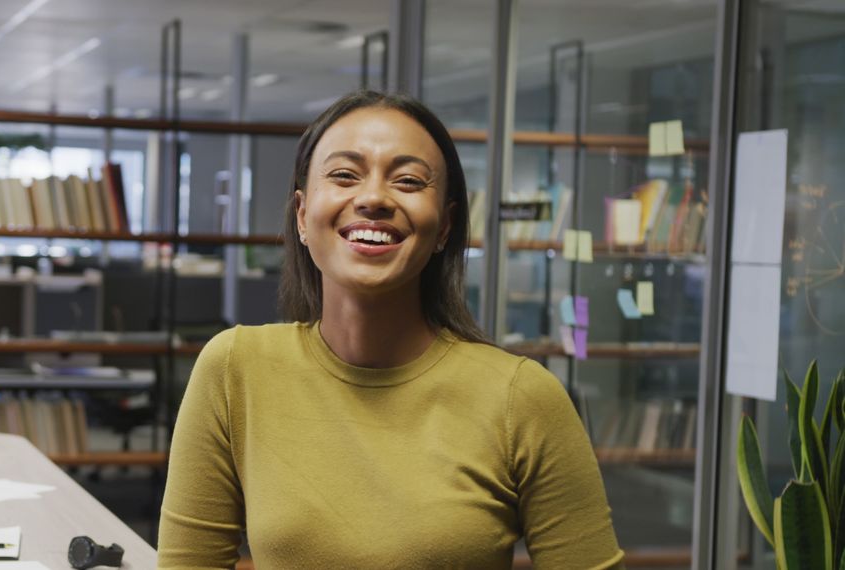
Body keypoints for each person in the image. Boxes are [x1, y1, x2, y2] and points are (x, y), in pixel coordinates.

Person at [158, 90, 622, 569]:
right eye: (343, 175)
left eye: (408, 180)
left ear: (444, 226)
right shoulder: (235, 369)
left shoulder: (521, 397)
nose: (374, 198)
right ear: (302, 215)